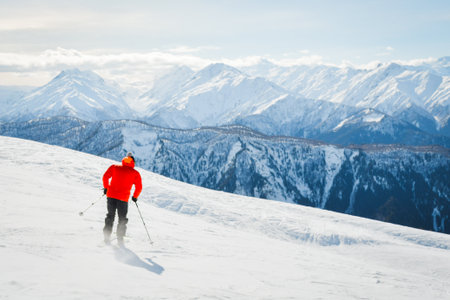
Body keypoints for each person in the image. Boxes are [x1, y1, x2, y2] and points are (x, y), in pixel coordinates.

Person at [102, 152, 142, 246]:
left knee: (110, 216)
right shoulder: (135, 173)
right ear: (133, 162)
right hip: (123, 199)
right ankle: (120, 239)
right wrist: (135, 197)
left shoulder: (114, 167)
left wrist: (106, 188)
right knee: (122, 218)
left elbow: (105, 177)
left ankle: (106, 236)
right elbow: (139, 187)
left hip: (111, 196)